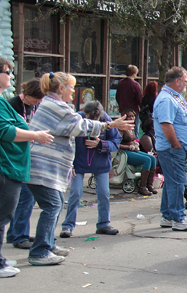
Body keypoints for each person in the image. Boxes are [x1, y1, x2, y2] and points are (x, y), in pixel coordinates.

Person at [27, 71, 132, 265]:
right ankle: (39, 251)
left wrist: (108, 128)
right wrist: (109, 125)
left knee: (56, 203)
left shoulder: (55, 105)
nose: (73, 92)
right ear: (61, 88)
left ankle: (48, 244)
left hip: (48, 167)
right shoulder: (55, 106)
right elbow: (80, 126)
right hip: (42, 166)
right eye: (71, 87)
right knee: (52, 206)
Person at [0, 57, 54, 277]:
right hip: (6, 166)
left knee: (5, 215)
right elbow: (6, 131)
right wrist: (35, 135)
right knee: (2, 216)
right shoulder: (7, 102)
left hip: (12, 166)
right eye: (7, 71)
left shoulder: (3, 100)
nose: (11, 76)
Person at [60, 101, 122, 238]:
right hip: (79, 162)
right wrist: (69, 164)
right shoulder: (76, 118)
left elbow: (116, 141)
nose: (94, 123)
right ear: (85, 113)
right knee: (75, 193)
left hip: (100, 162)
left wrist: (101, 144)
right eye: (90, 119)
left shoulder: (106, 120)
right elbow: (67, 142)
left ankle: (104, 223)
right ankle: (68, 225)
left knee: (104, 193)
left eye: (97, 120)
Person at [153, 66, 187, 232]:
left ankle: (167, 215)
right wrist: (176, 144)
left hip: (174, 148)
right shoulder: (166, 99)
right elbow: (166, 125)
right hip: (171, 149)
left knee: (171, 182)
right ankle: (178, 217)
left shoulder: (174, 96)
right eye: (185, 81)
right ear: (177, 81)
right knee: (178, 183)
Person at [5, 78, 44, 250]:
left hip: (26, 155)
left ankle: (15, 233)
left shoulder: (34, 106)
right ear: (27, 95)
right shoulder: (12, 105)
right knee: (24, 198)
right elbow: (10, 131)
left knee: (23, 198)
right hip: (15, 157)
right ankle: (19, 235)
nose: (39, 102)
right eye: (37, 99)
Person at [119, 110, 159, 195]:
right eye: (128, 116)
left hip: (133, 150)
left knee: (152, 158)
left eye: (133, 116)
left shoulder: (132, 128)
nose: (131, 118)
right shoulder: (121, 129)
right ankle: (142, 187)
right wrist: (129, 147)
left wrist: (135, 144)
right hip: (124, 152)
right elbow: (116, 144)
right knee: (147, 160)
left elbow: (132, 140)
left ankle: (149, 185)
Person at [116, 65, 143, 135]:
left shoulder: (121, 83)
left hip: (123, 110)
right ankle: (133, 143)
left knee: (123, 129)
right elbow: (140, 99)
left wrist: (121, 105)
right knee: (134, 130)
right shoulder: (135, 85)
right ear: (134, 74)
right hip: (133, 111)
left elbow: (117, 96)